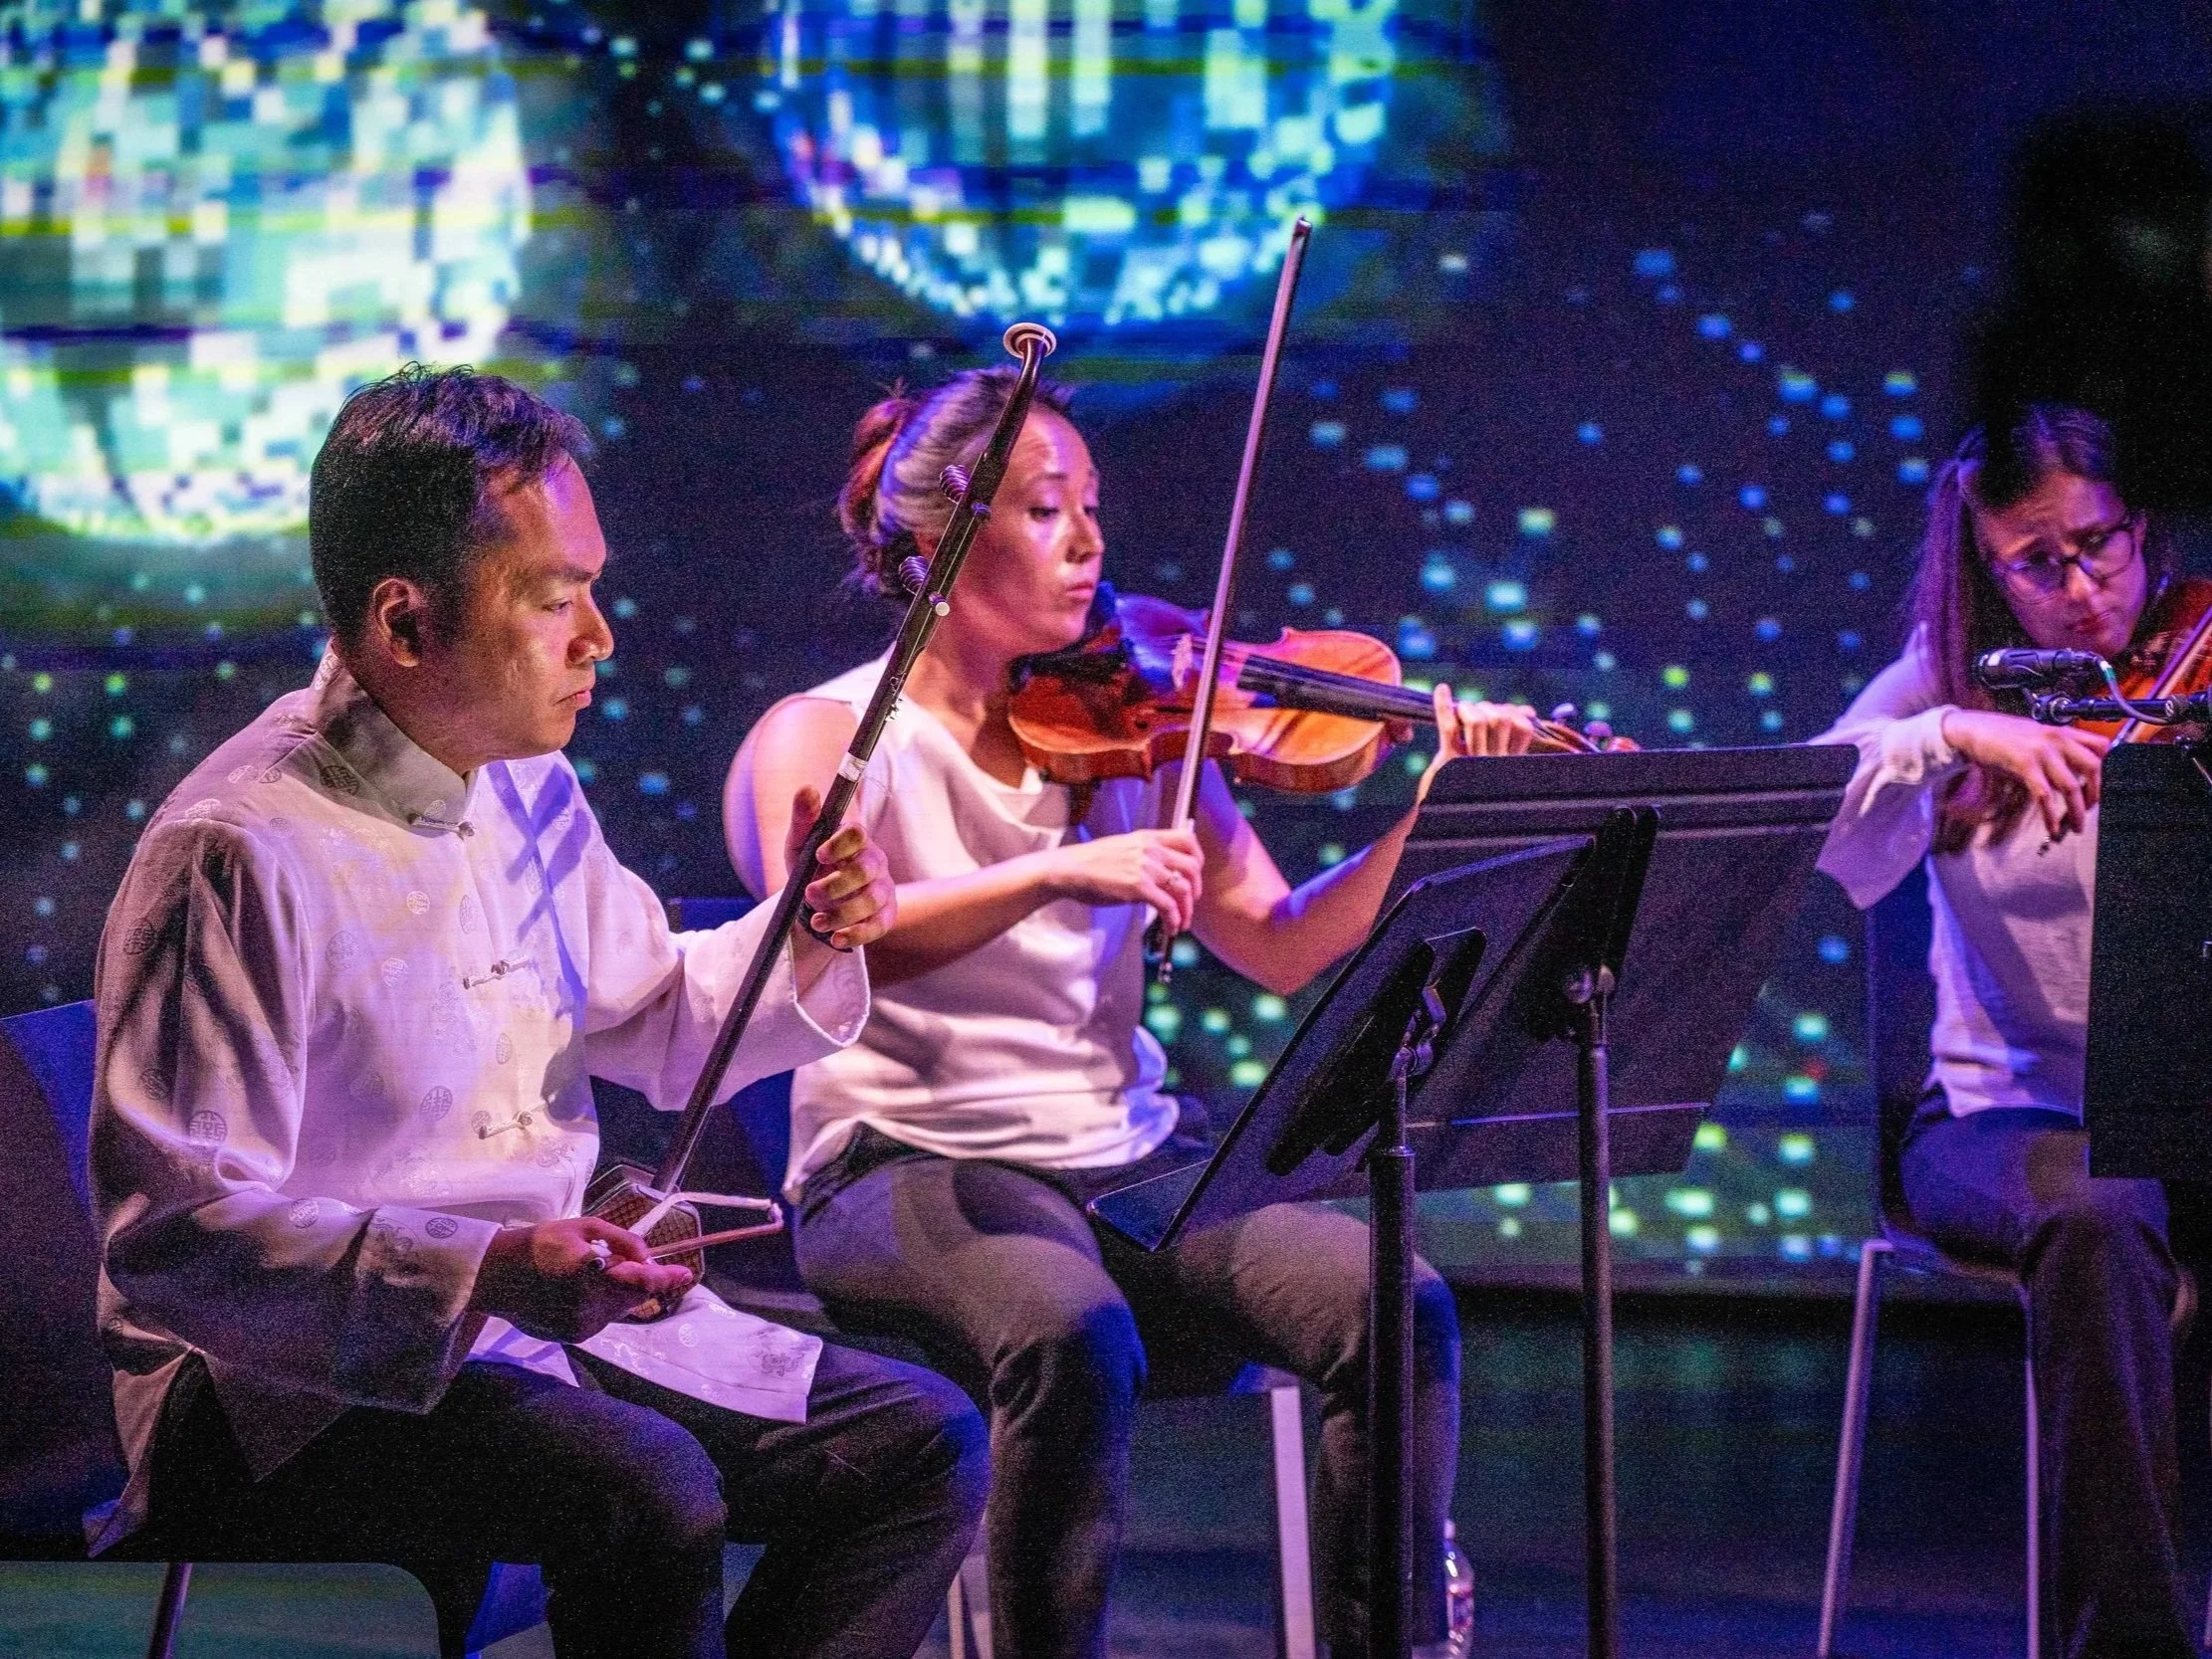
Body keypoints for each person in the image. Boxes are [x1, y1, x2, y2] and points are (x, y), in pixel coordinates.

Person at [89, 365, 989, 1659]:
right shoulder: (234, 851)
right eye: (556, 598)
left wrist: (804, 924)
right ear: (406, 624)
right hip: (267, 1384)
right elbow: (176, 1237)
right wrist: (481, 1266)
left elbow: (662, 1008)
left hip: (521, 1321)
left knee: (919, 1441)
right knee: (649, 1489)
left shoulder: (524, 784)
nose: (601, 636)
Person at [727, 367, 1540, 1659]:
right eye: (1047, 509)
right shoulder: (823, 734)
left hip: (1124, 1152)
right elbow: (840, 950)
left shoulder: (1132, 712)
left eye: (1090, 504)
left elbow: (1277, 942)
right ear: (938, 537)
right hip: (900, 1162)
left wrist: (1429, 815)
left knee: (1394, 1298)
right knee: (1071, 1329)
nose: (1092, 544)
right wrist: (1058, 868)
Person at [1816, 404, 2201, 1659]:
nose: (2081, 589)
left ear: (2139, 527)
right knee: (2094, 1206)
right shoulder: (1946, 678)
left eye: (2099, 545)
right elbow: (1800, 812)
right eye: (2036, 564)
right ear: (1982, 564)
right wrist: (1948, 735)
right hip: (2005, 1116)